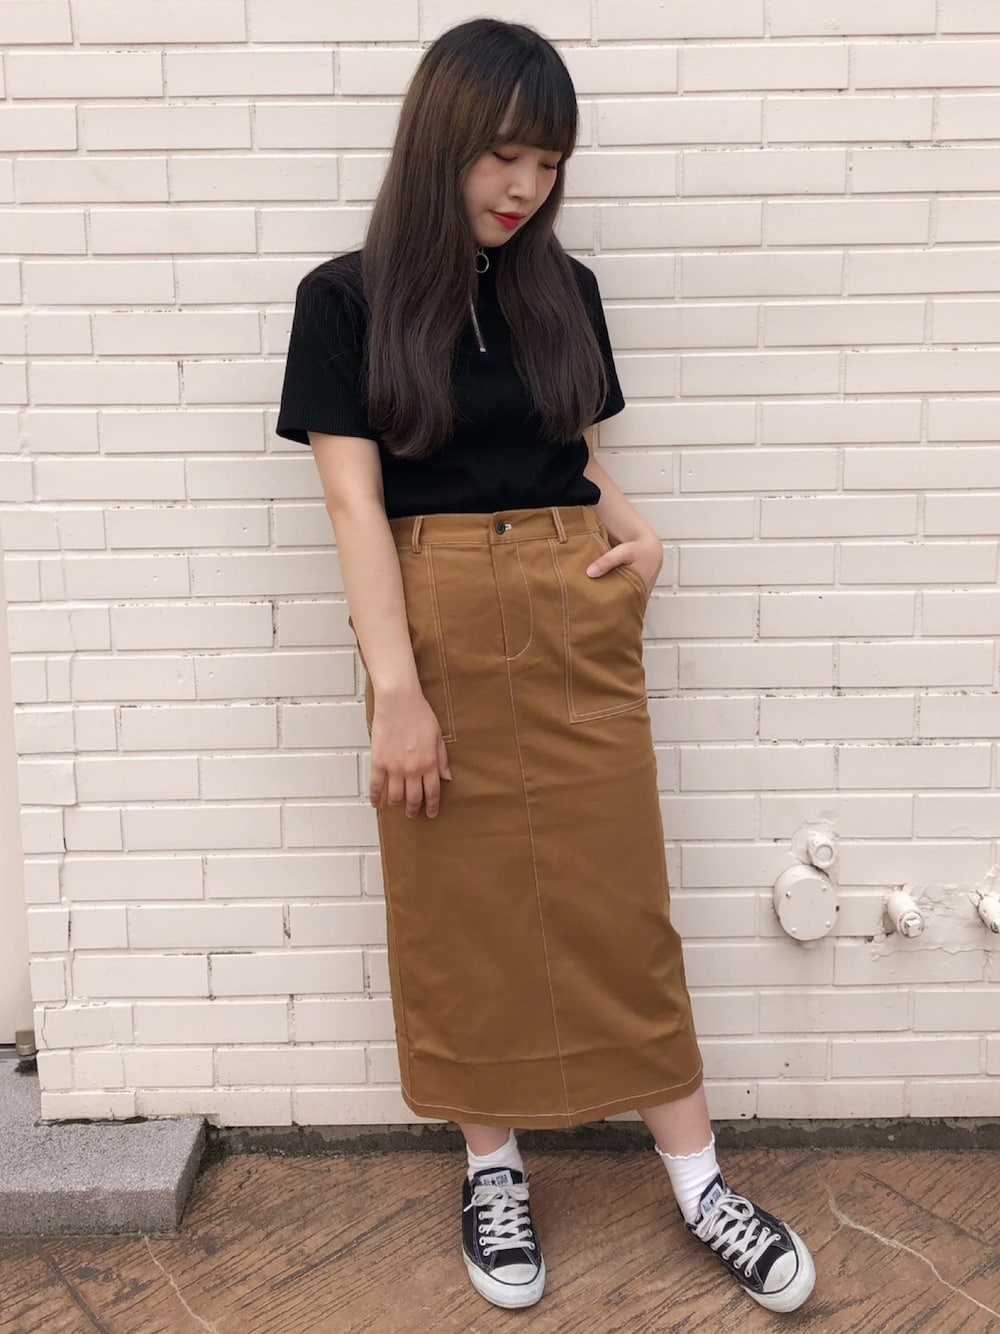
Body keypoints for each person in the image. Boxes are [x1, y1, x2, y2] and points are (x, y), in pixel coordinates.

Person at [276, 17, 815, 1316]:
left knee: (619, 900)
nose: (525, 186)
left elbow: (567, 445)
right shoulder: (344, 300)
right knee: (460, 902)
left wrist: (635, 531)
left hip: (573, 600)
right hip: (436, 613)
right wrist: (396, 693)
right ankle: (494, 1168)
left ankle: (699, 1181)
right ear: (444, 141)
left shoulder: (559, 289)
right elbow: (353, 505)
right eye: (504, 155)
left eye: (550, 163)